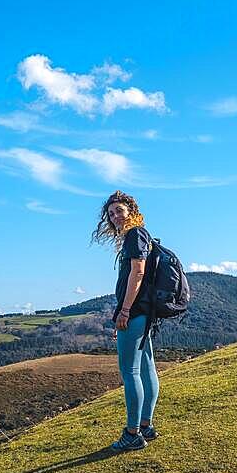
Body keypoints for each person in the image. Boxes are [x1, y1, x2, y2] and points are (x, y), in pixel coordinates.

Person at [91, 190, 160, 451]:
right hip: (145, 312)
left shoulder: (134, 234)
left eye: (119, 210)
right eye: (111, 214)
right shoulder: (142, 235)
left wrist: (125, 311)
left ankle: (132, 434)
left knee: (131, 372)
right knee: (146, 368)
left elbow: (138, 272)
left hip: (135, 312)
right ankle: (145, 426)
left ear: (130, 210)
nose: (115, 216)